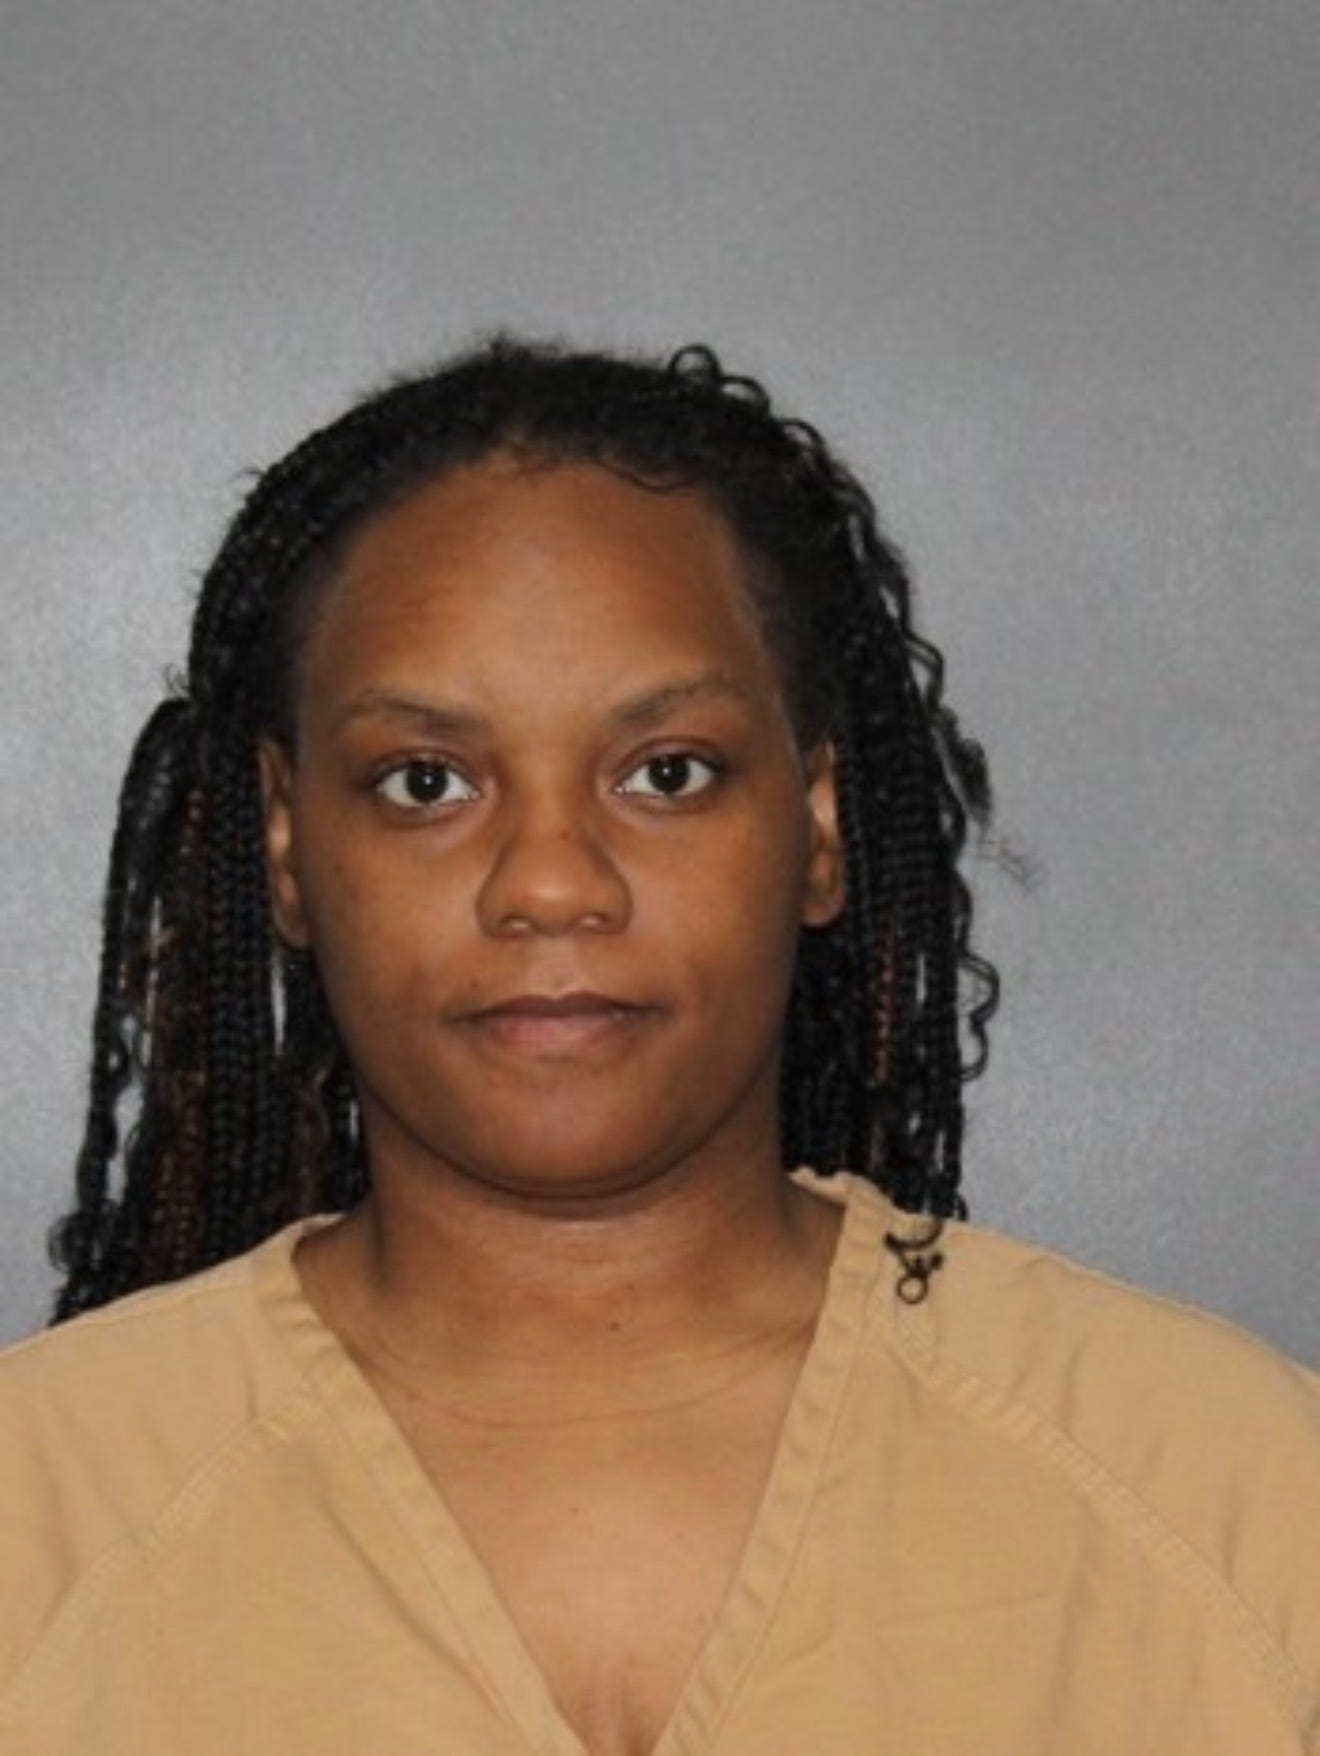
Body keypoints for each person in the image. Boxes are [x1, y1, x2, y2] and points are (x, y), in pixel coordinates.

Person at [0, 339, 1315, 1756]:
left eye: (667, 773)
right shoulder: (40, 1520)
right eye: (426, 782)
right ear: (285, 848)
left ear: (818, 825)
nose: (550, 883)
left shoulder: (1234, 1496)